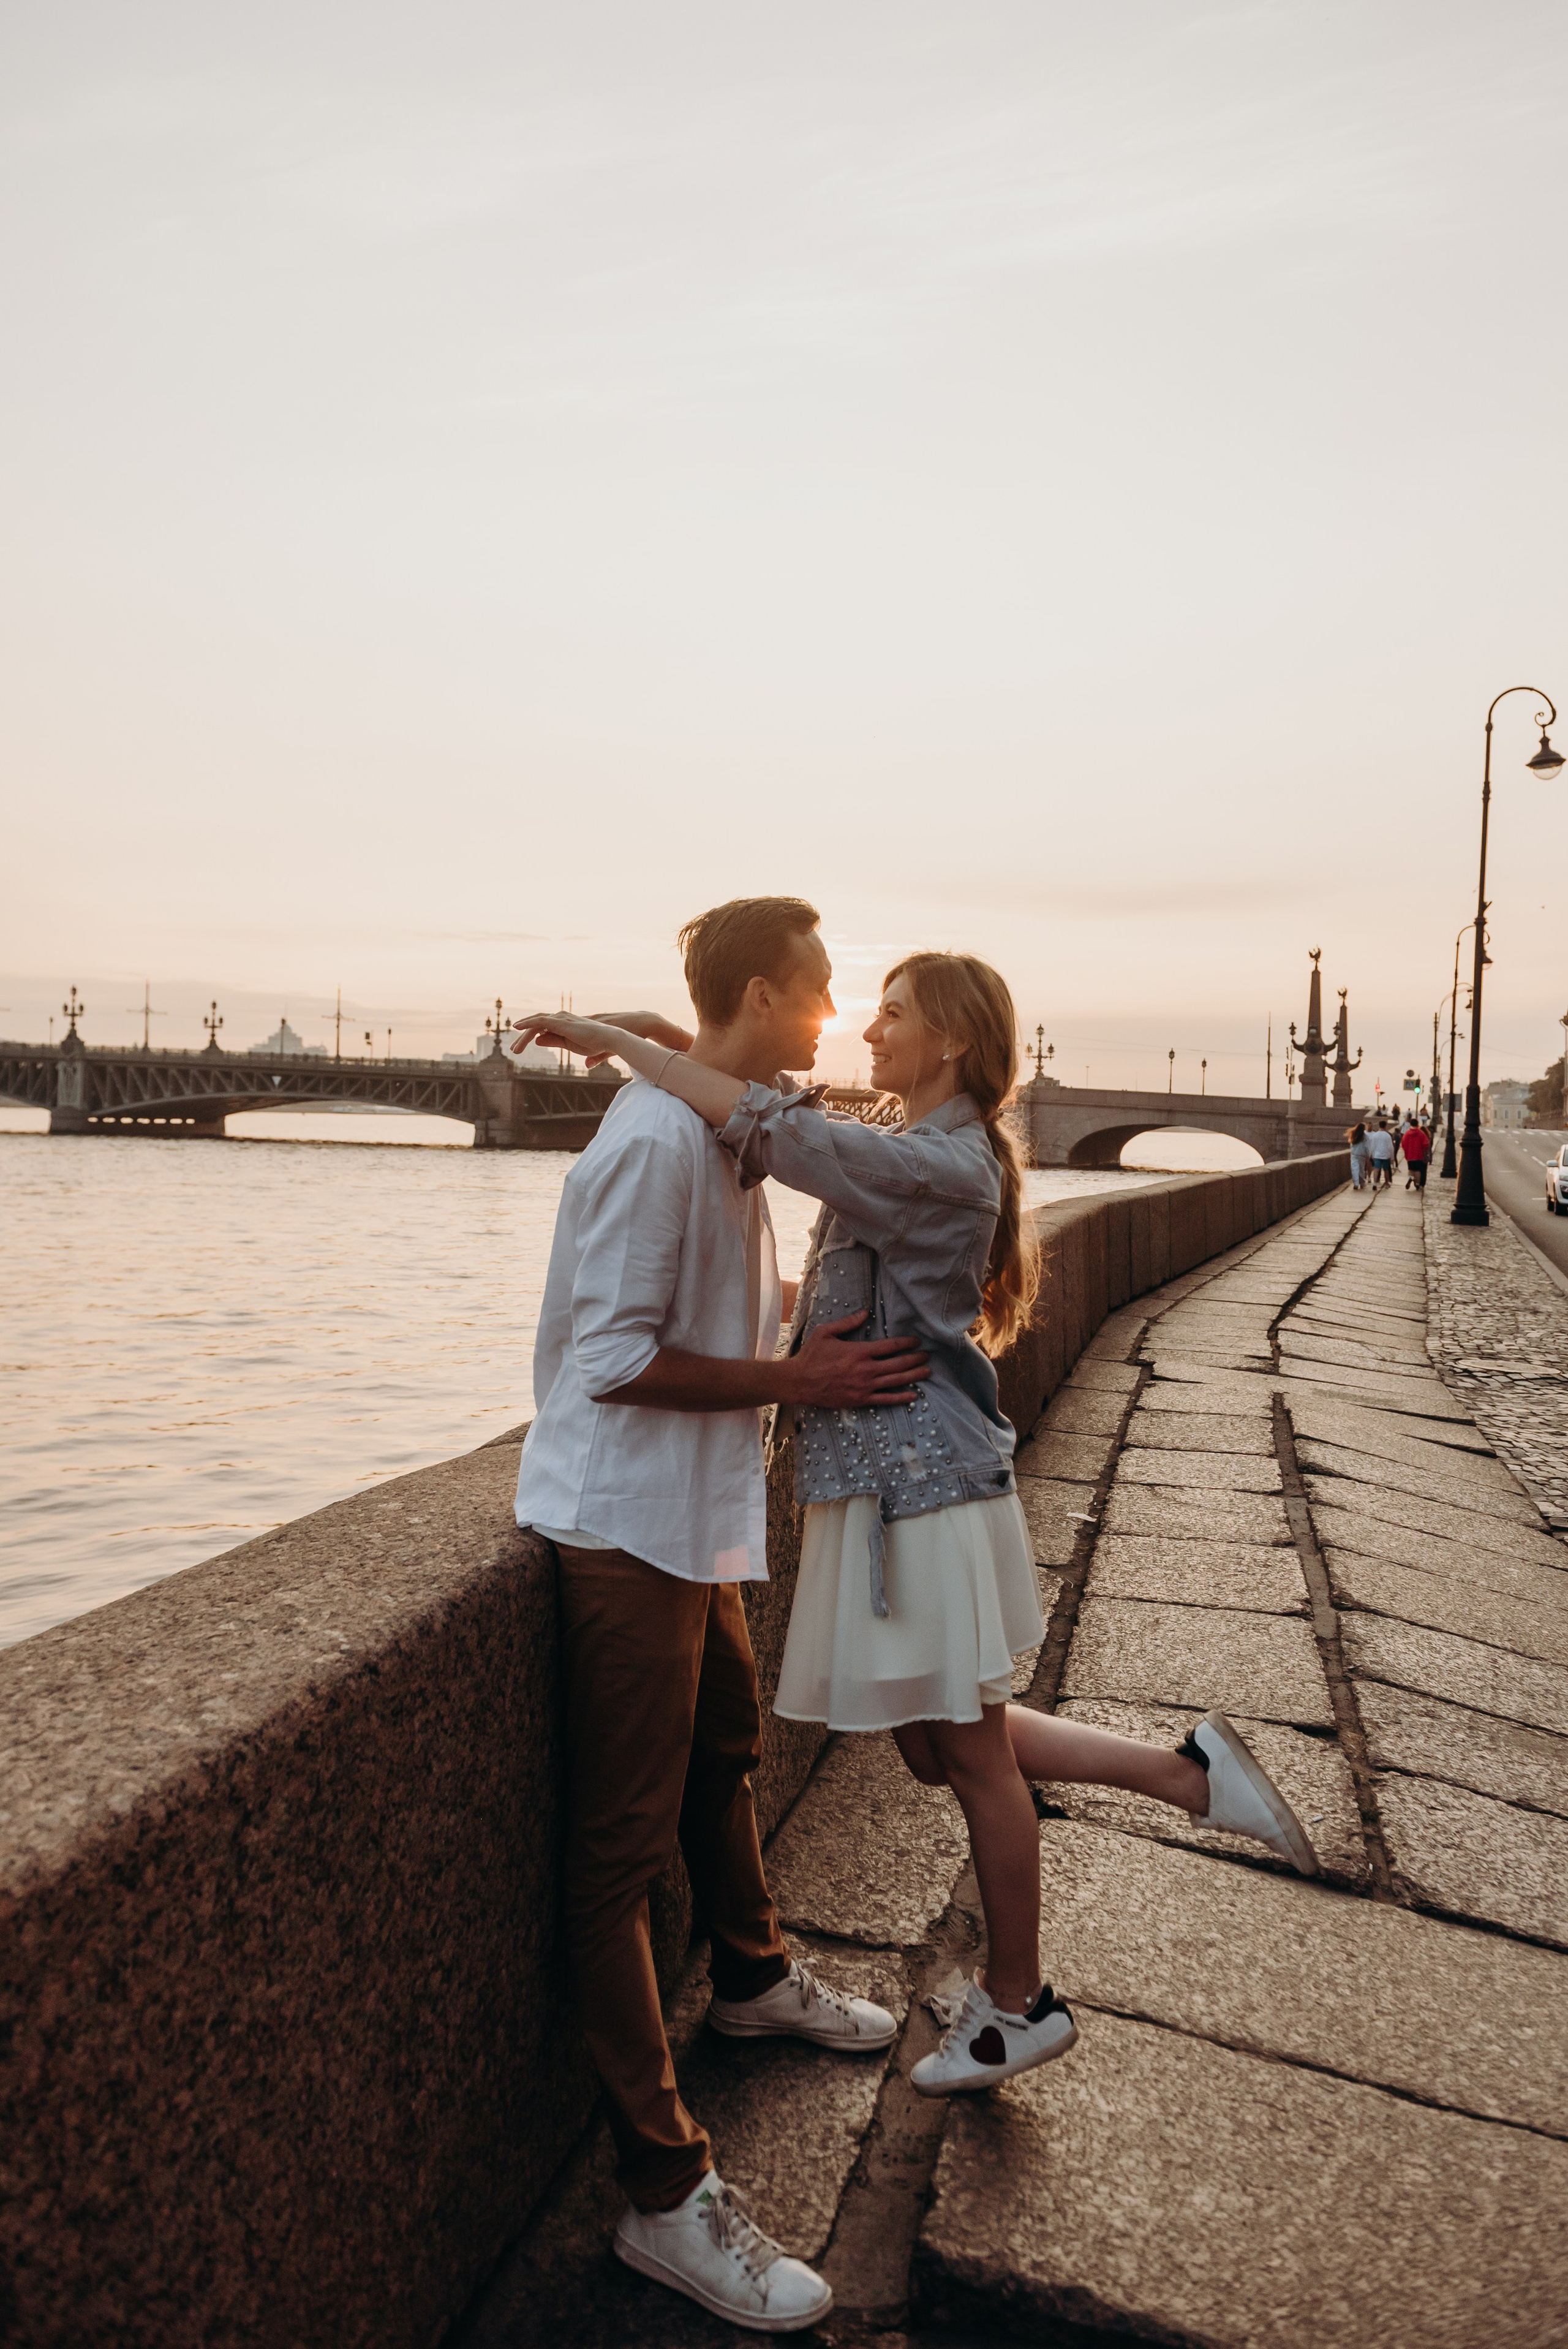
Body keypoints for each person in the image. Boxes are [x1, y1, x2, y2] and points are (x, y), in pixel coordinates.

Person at [518, 947, 1318, 2124]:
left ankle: (1020, 1997)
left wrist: (632, 1041)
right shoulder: (915, 1146)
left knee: (973, 1756)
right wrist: (643, 1026)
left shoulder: (932, 1164)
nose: (863, 1027)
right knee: (938, 1740)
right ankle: (1184, 1772)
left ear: (948, 1039)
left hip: (922, 1492)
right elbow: (760, 1091)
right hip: (900, 1487)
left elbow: (765, 1120)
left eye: (888, 1013)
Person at [511, 897, 919, 2335]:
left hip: (693, 1515)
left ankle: (746, 1976)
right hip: (622, 1521)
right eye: (816, 990)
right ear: (757, 989)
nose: (829, 1013)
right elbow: (614, 1357)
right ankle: (660, 2190)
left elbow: (716, 1305)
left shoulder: (723, 1124)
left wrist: (807, 1323)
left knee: (725, 1747)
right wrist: (802, 1384)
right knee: (615, 1854)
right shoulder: (649, 1140)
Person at [1401, 1116, 1431, 1190]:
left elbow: (1403, 1144)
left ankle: (1411, 1178)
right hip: (1419, 1155)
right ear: (1418, 1124)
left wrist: (1407, 1151)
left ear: (1410, 1124)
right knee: (1418, 1171)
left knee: (1411, 1170)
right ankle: (1417, 1184)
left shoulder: (1407, 1133)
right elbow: (1426, 1144)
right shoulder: (1421, 1133)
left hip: (1410, 1155)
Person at [1367, 1119, 1396, 1189]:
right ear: (1385, 1126)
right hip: (1386, 1155)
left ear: (1379, 1126)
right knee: (1386, 1170)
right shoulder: (1388, 1136)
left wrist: (1372, 1155)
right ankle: (1386, 1183)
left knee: (1376, 1169)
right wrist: (1392, 1157)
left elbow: (1372, 1146)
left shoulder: (1375, 1135)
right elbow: (1391, 1147)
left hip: (1377, 1155)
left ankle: (1375, 1183)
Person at [1347, 1121, 1368, 1188]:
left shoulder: (1354, 1134)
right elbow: (1367, 1147)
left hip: (1354, 1154)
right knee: (1361, 1170)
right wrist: (1368, 1155)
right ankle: (1362, 1183)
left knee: (1354, 1169)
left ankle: (1356, 1184)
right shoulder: (1365, 1136)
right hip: (1361, 1155)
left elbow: (1351, 1144)